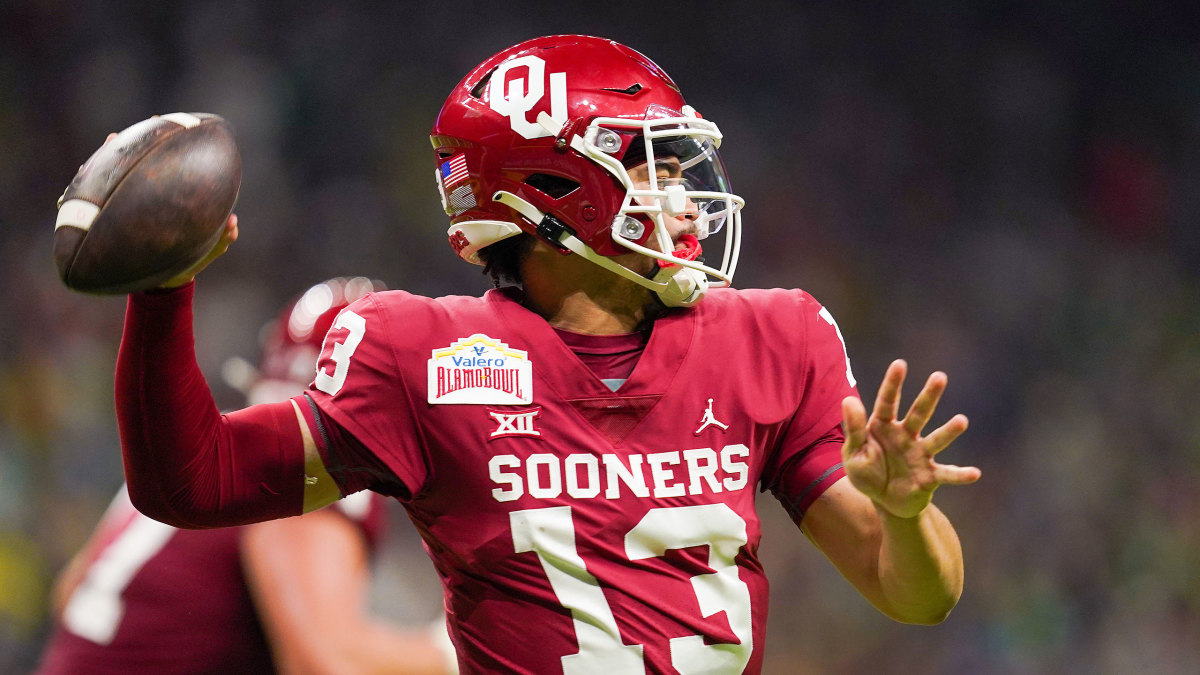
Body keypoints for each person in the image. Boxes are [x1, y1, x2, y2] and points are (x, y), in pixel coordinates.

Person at [107, 35, 981, 673]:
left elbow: (917, 593)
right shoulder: (420, 354)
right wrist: (162, 288)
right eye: (651, 166)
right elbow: (192, 480)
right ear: (556, 197)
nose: (682, 195)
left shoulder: (776, 337)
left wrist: (904, 515)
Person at [36, 278, 456, 675]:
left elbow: (71, 594)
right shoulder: (313, 461)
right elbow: (323, 662)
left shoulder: (205, 446)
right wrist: (449, 652)